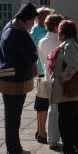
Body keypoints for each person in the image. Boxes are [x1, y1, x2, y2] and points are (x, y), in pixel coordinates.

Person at [0, 3, 40, 154]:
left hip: (10, 78)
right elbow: (31, 56)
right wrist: (34, 52)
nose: (34, 23)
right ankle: (13, 151)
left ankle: (16, 148)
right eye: (33, 20)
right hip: (13, 80)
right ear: (27, 18)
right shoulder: (17, 33)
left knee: (13, 117)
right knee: (13, 117)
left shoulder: (12, 26)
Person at [49, 20, 78, 154]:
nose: (58, 34)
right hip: (69, 90)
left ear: (63, 33)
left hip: (67, 89)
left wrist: (61, 79)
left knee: (65, 121)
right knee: (73, 120)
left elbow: (72, 66)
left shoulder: (69, 46)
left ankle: (67, 152)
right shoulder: (69, 45)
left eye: (59, 31)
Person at [37, 13, 64, 150]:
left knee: (52, 108)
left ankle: (53, 137)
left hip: (47, 77)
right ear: (55, 26)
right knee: (56, 109)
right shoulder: (59, 42)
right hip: (59, 78)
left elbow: (42, 62)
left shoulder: (42, 41)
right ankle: (53, 138)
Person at [31, 8, 52, 144]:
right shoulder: (41, 33)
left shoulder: (34, 31)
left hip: (42, 70)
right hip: (44, 70)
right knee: (44, 103)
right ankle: (41, 131)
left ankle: (40, 130)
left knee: (41, 103)